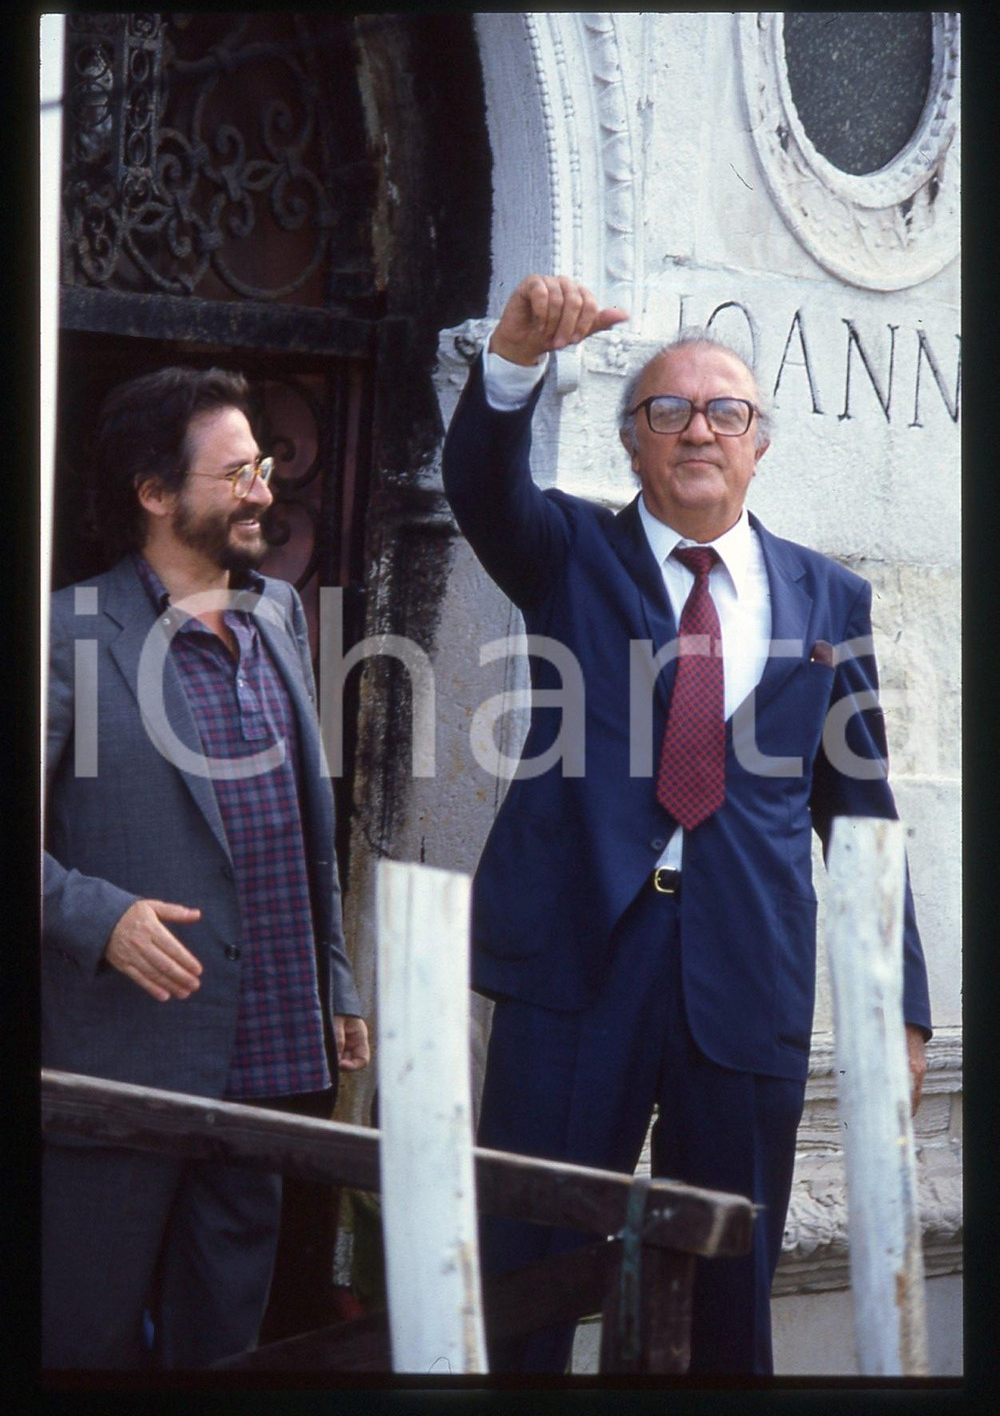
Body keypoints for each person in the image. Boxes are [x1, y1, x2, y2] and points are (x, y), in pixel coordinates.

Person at [441, 275, 932, 1375]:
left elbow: (858, 801)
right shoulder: (567, 554)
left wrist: (896, 999)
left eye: (727, 412)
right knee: (525, 1273)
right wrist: (512, 363)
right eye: (669, 410)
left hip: (745, 972)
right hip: (576, 965)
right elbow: (476, 480)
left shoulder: (829, 600)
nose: (699, 427)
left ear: (761, 444)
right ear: (631, 443)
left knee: (725, 1286)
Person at [42, 366, 369, 1370]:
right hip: (122, 1058)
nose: (263, 490)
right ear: (154, 493)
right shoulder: (63, 632)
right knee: (81, 1338)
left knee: (223, 1345)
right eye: (235, 473)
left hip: (271, 1051)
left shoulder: (278, 616)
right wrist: (95, 916)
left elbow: (301, 824)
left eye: (264, 467)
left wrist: (335, 976)